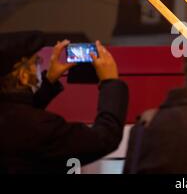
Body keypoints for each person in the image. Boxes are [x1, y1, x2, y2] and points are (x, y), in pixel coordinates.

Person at [0, 31, 129, 173]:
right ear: (23, 76)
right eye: (36, 62)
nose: (38, 67)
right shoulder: (44, 127)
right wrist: (110, 81)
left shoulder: (15, 121)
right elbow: (104, 138)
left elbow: (17, 116)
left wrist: (48, 83)